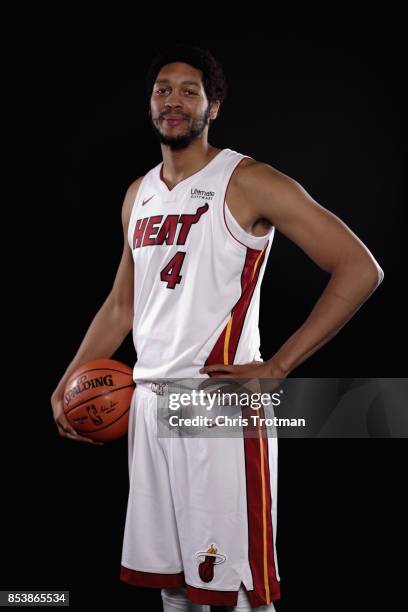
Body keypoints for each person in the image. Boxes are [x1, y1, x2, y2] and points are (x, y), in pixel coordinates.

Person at [52, 45, 384, 611]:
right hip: (149, 407)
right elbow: (120, 305)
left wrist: (277, 367)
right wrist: (67, 382)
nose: (174, 100)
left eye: (189, 90)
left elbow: (360, 268)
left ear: (214, 106)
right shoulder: (140, 195)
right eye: (163, 89)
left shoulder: (249, 180)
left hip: (218, 407)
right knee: (176, 590)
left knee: (239, 592)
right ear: (150, 104)